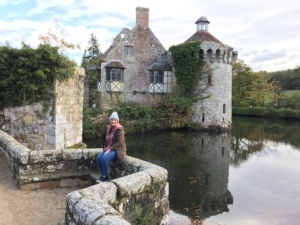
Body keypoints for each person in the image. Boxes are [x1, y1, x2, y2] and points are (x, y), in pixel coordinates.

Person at [95, 111, 126, 183]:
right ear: (110, 121)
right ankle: (103, 174)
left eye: (115, 120)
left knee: (104, 159)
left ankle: (105, 176)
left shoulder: (120, 129)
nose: (113, 121)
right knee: (98, 158)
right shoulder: (108, 128)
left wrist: (110, 149)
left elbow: (120, 142)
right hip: (108, 148)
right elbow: (104, 139)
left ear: (117, 121)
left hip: (117, 150)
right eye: (112, 120)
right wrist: (105, 149)